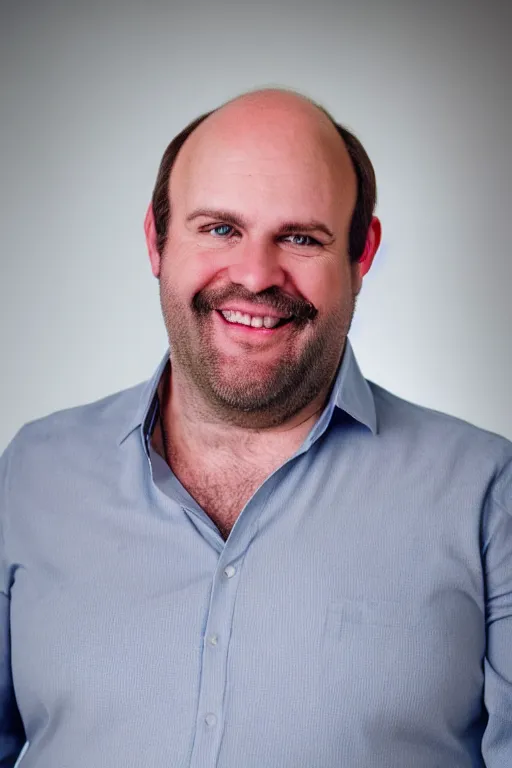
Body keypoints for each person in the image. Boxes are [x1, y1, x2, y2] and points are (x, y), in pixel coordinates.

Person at [1, 87, 511, 768]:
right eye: (219, 228)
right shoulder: (33, 473)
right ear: (157, 240)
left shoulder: (485, 493)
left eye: (300, 238)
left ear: (361, 257)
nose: (254, 275)